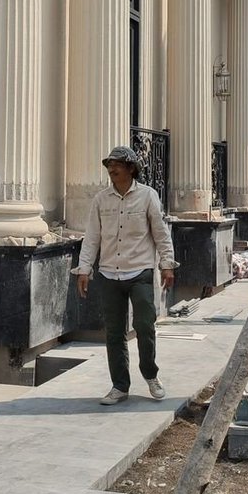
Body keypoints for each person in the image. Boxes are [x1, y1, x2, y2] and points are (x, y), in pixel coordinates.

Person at [74, 145, 177, 405]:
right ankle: (119, 386)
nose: (112, 169)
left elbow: (160, 233)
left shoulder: (147, 196)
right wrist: (84, 269)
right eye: (109, 165)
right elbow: (92, 237)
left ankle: (151, 375)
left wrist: (167, 264)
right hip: (109, 274)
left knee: (144, 325)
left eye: (117, 164)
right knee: (114, 332)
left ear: (131, 168)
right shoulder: (101, 200)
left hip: (140, 271)